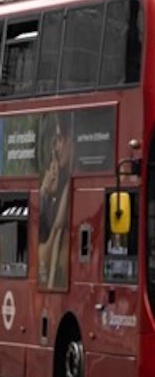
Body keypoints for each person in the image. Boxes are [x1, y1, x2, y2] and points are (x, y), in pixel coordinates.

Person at [38, 111, 73, 291]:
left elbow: (43, 256)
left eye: (60, 139)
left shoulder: (69, 191)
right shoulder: (56, 193)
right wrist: (44, 193)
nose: (57, 148)